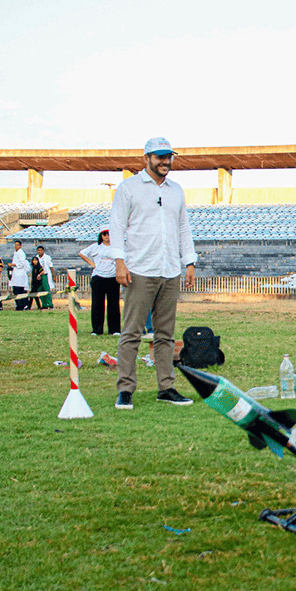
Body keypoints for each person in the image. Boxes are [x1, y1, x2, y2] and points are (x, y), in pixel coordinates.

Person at [109, 137, 198, 410]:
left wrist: (190, 262)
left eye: (169, 157)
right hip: (140, 270)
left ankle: (166, 387)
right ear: (146, 158)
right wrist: (119, 262)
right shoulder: (128, 188)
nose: (165, 162)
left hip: (170, 270)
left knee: (165, 334)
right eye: (160, 157)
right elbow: (116, 226)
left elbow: (183, 228)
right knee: (132, 333)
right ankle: (125, 389)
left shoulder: (176, 190)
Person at [79, 230, 121, 336]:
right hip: (98, 277)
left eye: (109, 234)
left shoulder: (116, 247)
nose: (107, 236)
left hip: (112, 277)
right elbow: (82, 253)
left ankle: (115, 329)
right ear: (101, 236)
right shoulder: (96, 246)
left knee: (114, 304)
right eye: (104, 234)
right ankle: (97, 330)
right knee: (97, 304)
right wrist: (92, 264)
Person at [9, 240, 30, 311]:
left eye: (17, 245)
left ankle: (22, 305)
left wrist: (13, 265)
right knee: (16, 290)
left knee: (20, 291)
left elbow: (21, 263)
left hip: (20, 274)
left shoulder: (21, 253)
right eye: (15, 245)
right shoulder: (16, 253)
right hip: (16, 274)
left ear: (20, 246)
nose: (16, 246)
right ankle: (18, 305)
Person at [36, 245, 55, 309]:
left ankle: (50, 304)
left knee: (47, 290)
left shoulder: (47, 257)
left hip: (46, 275)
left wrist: (53, 275)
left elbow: (51, 267)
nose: (40, 251)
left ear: (43, 251)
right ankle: (44, 304)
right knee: (40, 290)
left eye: (41, 250)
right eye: (38, 250)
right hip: (39, 275)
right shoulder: (36, 258)